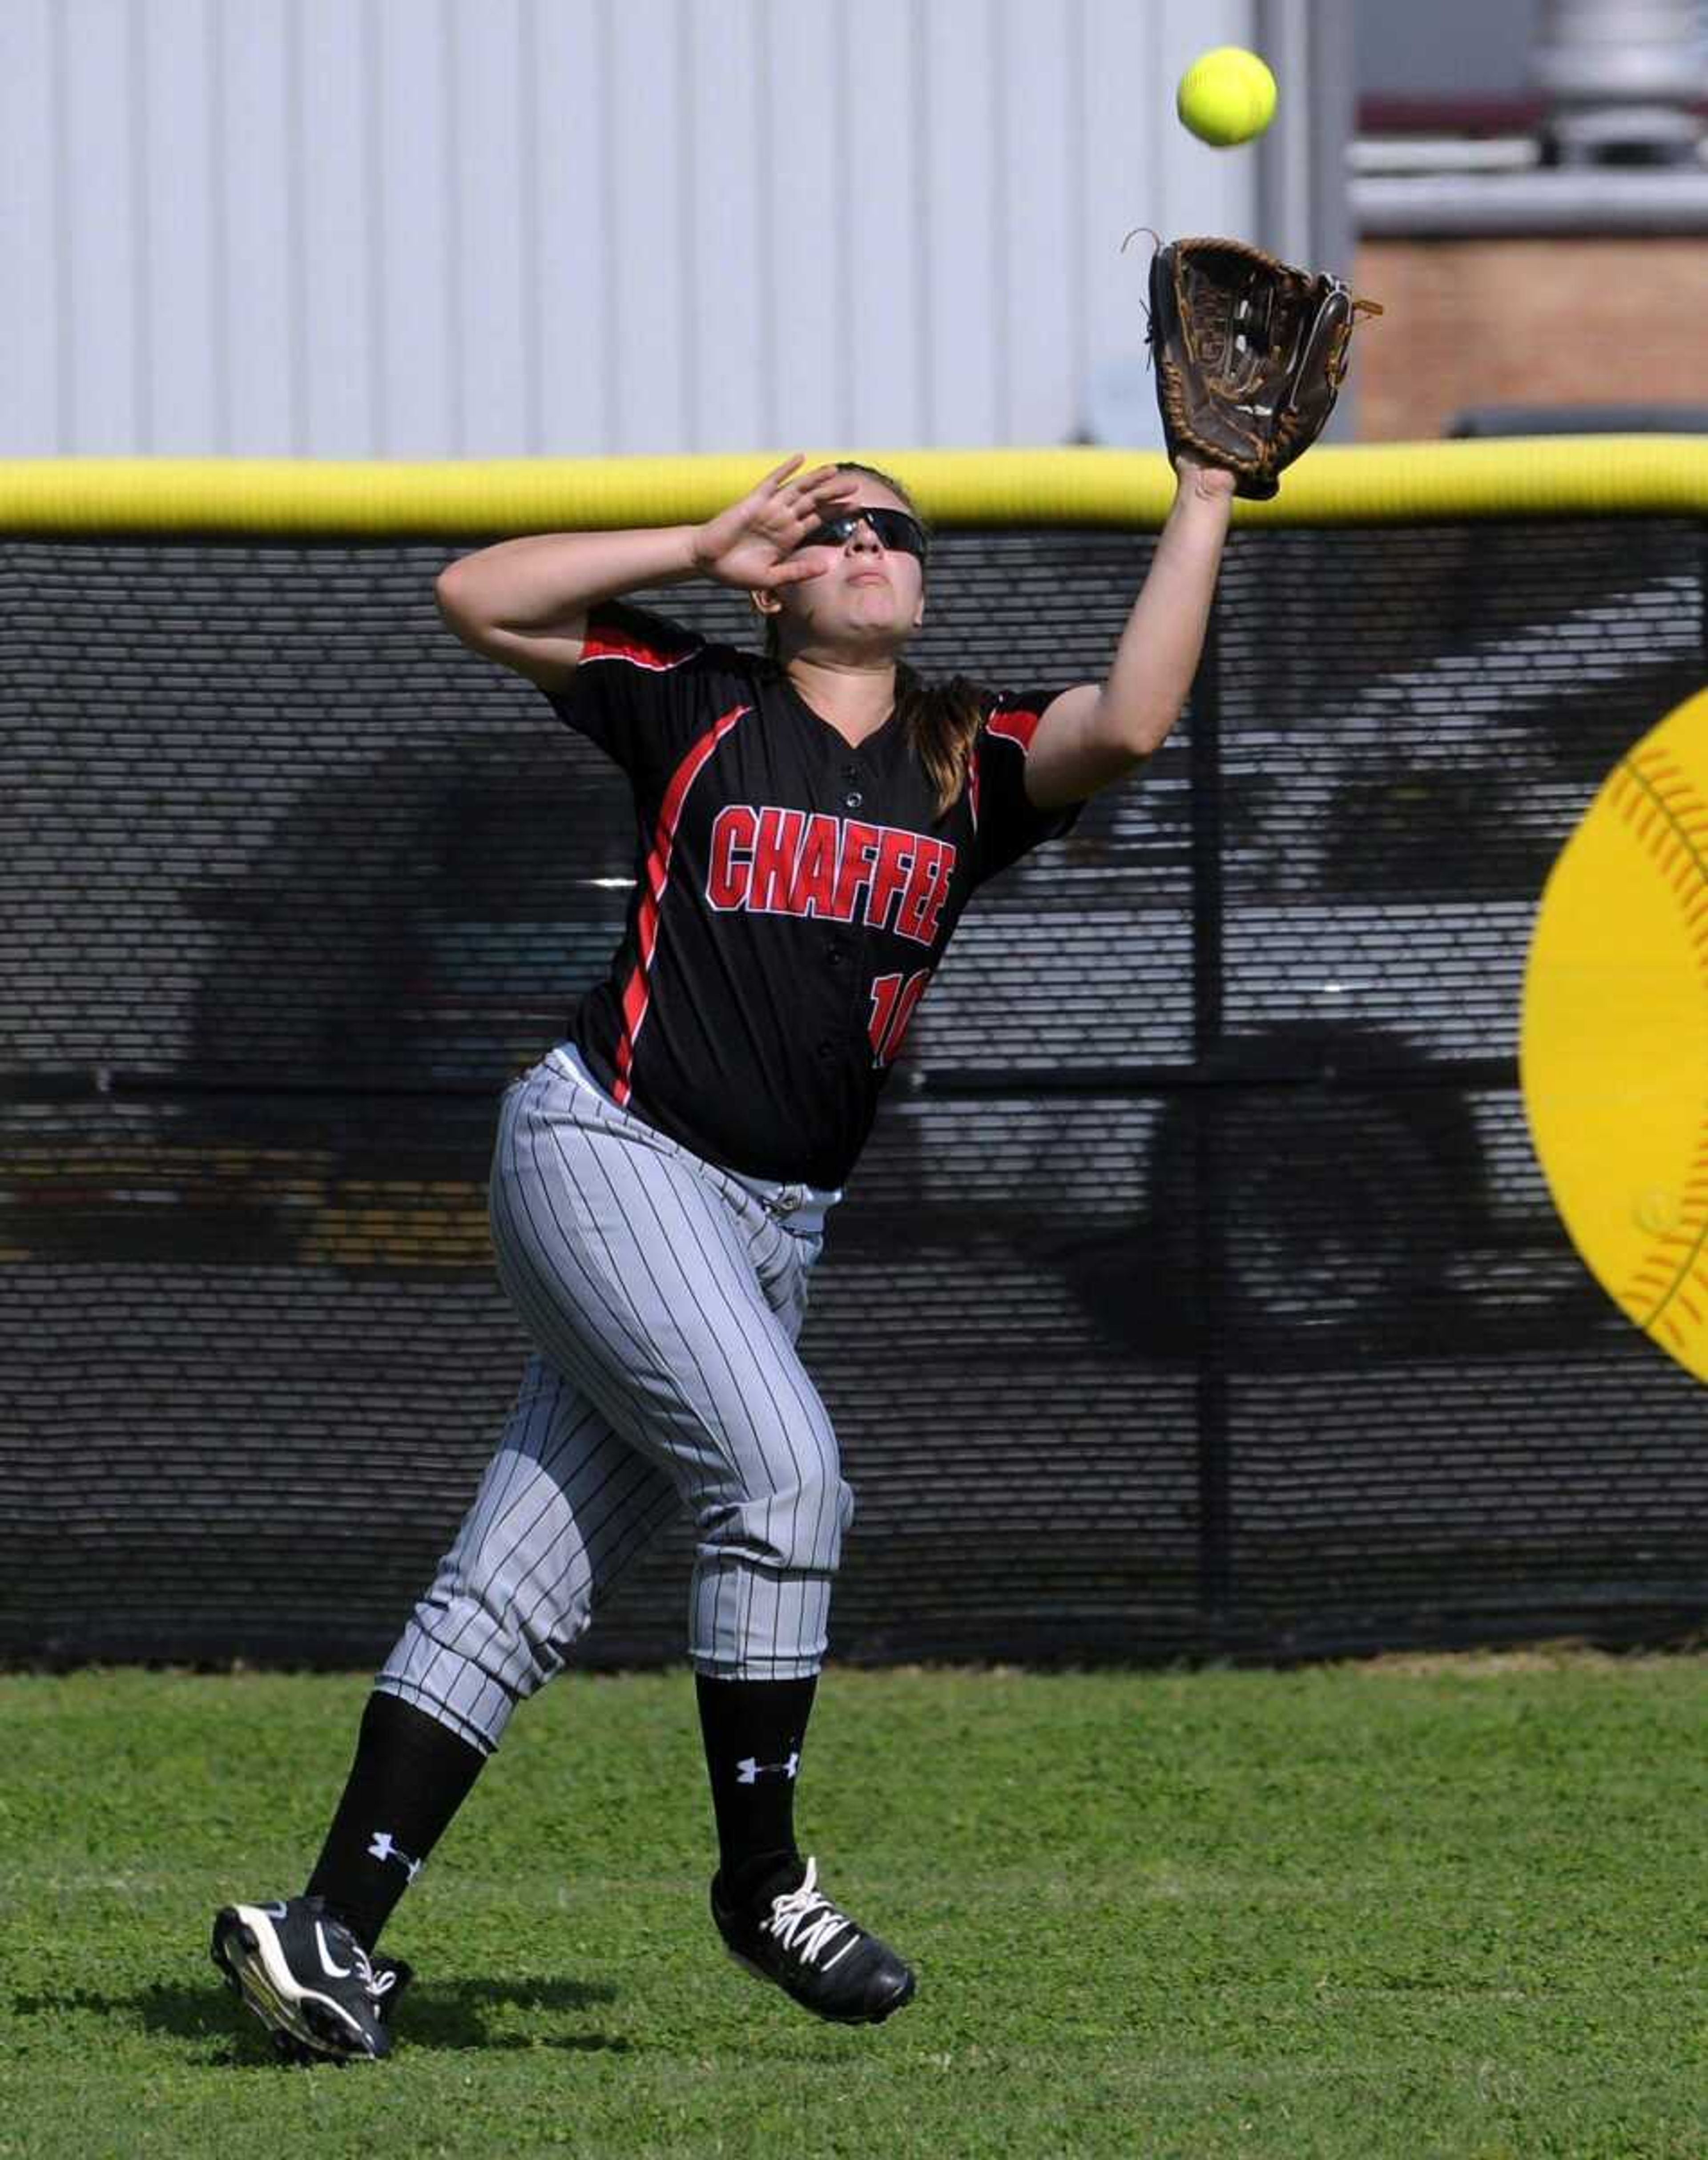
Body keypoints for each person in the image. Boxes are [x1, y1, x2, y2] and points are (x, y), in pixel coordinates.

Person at [210, 449, 1235, 2062]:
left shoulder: (968, 753)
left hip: (771, 1227)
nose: (871, 544)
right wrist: (699, 543)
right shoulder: (691, 700)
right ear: (775, 585)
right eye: (834, 527)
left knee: (516, 1591)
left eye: (895, 529)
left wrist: (1207, 497)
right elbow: (474, 595)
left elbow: (1138, 717)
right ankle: (762, 1883)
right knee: (785, 1477)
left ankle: (324, 1931)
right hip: (608, 1150)